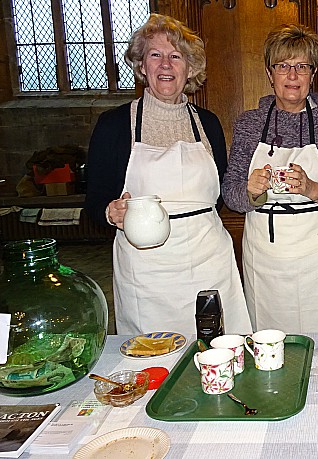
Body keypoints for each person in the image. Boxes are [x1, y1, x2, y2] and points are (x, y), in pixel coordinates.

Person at [85, 14, 252, 337]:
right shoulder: (114, 125)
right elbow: (93, 202)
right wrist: (110, 211)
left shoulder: (209, 124)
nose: (165, 65)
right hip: (146, 268)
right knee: (152, 359)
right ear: (141, 65)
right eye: (155, 55)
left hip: (209, 260)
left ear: (189, 69)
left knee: (218, 348)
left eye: (175, 57)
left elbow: (215, 197)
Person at [222, 24, 318, 333]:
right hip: (264, 259)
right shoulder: (250, 124)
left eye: (301, 66)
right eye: (283, 66)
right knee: (269, 343)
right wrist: (252, 192)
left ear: (313, 72)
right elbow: (229, 193)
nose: (292, 76)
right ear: (270, 73)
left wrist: (311, 188)